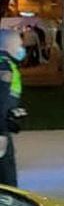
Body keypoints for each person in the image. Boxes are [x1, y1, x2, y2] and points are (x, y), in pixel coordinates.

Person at [0, 29, 24, 187]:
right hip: (0, 127)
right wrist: (1, 132)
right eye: (19, 44)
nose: (22, 48)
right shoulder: (4, 68)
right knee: (7, 174)